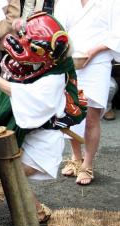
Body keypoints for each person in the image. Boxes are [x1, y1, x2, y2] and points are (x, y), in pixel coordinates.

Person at [0, 13, 86, 221]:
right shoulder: (47, 63)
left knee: (2, 169)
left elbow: (23, 95)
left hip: (43, 145)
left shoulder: (55, 78)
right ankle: (31, 210)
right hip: (30, 136)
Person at [54, 0, 120, 185]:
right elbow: (59, 30)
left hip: (98, 63)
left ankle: (87, 164)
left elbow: (117, 33)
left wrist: (94, 50)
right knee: (72, 111)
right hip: (71, 61)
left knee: (91, 115)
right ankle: (75, 157)